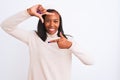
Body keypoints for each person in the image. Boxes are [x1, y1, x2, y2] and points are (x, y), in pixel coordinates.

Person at [0, 4, 93, 80]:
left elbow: (90, 61)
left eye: (55, 21)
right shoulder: (33, 37)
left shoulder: (67, 41)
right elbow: (6, 26)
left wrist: (71, 46)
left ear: (60, 23)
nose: (52, 24)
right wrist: (28, 12)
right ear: (42, 21)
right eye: (48, 21)